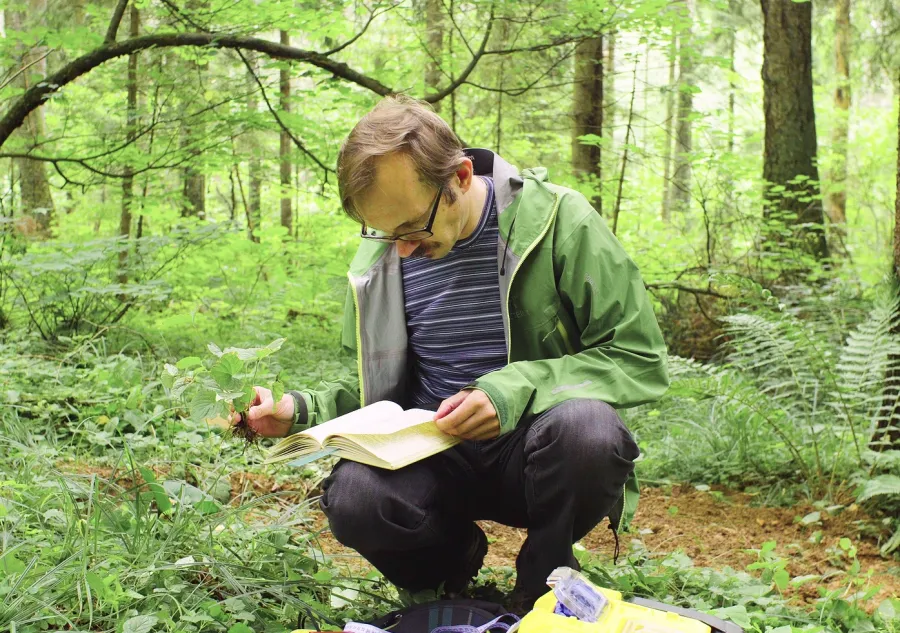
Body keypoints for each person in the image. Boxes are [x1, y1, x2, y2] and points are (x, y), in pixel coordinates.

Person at [237, 95, 668, 609]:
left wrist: (509, 391)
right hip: (430, 455)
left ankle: (541, 584)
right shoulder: (383, 257)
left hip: (532, 453)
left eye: (412, 227)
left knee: (590, 433)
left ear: (461, 177)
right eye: (382, 231)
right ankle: (447, 576)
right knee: (355, 497)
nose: (399, 248)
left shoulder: (559, 222)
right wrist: (298, 411)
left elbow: (638, 357)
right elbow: (381, 394)